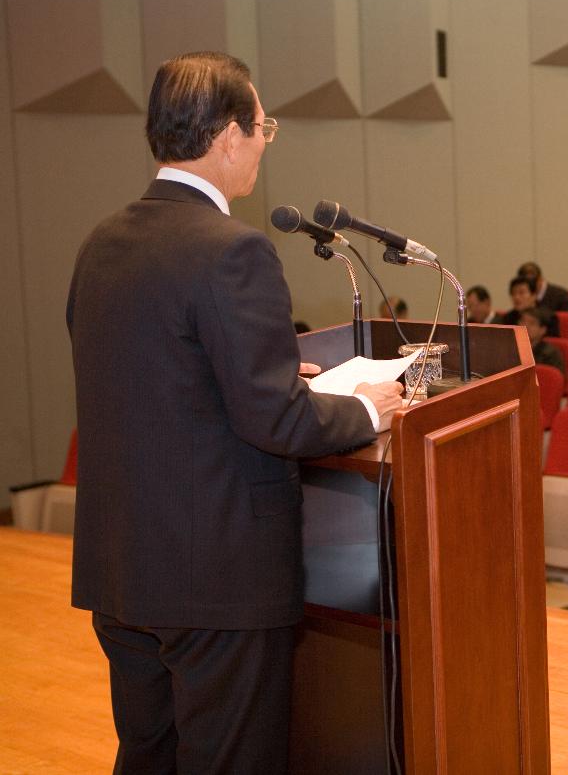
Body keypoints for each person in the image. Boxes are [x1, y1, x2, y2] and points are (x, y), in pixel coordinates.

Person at [66, 52, 405, 772]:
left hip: (123, 572)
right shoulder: (232, 251)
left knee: (149, 756)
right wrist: (368, 410)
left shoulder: (101, 244)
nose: (261, 142)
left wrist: (265, 373)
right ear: (227, 135)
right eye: (262, 127)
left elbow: (150, 382)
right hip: (215, 581)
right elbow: (277, 422)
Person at [521, 306, 564, 373]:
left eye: (532, 323)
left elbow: (555, 379)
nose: (525, 326)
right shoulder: (511, 349)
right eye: (522, 321)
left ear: (542, 330)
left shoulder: (550, 354)